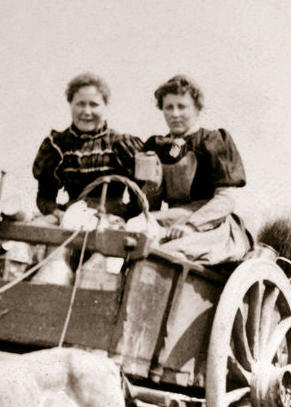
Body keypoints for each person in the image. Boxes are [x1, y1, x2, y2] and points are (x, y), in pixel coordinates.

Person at [140, 74, 252, 264]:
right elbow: (151, 206)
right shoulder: (157, 146)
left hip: (210, 226)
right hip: (172, 218)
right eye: (169, 107)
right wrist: (153, 186)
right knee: (135, 229)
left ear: (198, 108)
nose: (175, 114)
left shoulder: (213, 141)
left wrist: (191, 226)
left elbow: (226, 200)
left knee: (162, 252)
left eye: (182, 106)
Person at [33, 72, 143, 220]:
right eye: (80, 104)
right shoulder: (57, 146)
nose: (86, 112)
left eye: (94, 104)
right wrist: (59, 214)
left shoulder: (121, 145)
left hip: (112, 221)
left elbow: (140, 200)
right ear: (70, 104)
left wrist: (118, 217)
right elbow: (45, 198)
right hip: (71, 219)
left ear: (105, 106)